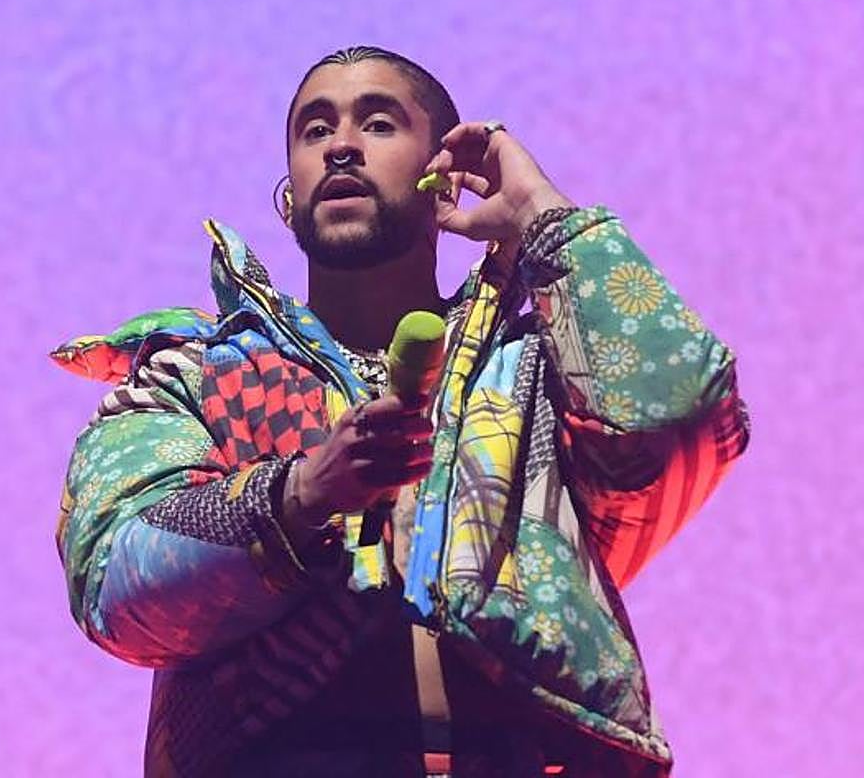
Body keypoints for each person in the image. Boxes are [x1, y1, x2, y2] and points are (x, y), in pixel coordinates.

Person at [52, 46, 749, 777]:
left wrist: (544, 217)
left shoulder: (536, 370)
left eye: (378, 124)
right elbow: (116, 585)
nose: (342, 145)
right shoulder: (194, 374)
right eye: (314, 131)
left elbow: (680, 418)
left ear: (441, 178)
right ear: (289, 196)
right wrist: (300, 494)